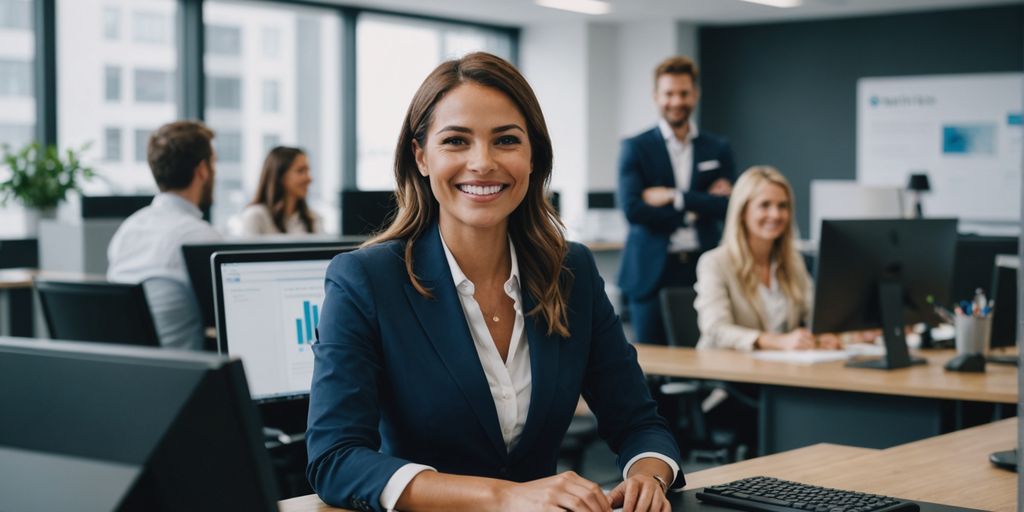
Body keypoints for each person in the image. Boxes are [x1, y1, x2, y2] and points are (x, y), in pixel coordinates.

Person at [306, 52, 682, 512]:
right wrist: (504, 496)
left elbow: (639, 423)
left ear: (532, 157)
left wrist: (647, 474)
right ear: (421, 156)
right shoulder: (365, 280)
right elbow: (336, 459)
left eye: (505, 140)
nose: (482, 163)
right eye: (456, 141)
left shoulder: (572, 273)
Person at [618, 55, 736, 346]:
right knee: (651, 366)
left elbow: (730, 207)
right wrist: (697, 207)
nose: (676, 101)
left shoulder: (718, 148)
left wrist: (675, 197)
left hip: (702, 267)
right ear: (656, 96)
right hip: (650, 272)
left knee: (702, 357)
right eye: (669, 93)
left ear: (694, 94)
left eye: (683, 93)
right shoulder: (636, 147)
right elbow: (633, 209)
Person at [694, 166, 843, 351]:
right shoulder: (715, 262)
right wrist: (774, 341)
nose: (775, 214)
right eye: (765, 205)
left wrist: (823, 336)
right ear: (742, 211)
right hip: (725, 373)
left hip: (779, 371)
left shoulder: (793, 261)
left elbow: (814, 316)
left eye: (782, 206)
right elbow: (715, 329)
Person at [107, 120, 221, 351]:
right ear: (202, 170)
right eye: (213, 165)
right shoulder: (199, 236)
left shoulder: (128, 229)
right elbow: (228, 320)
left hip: (131, 373)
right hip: (187, 379)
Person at [238, 146, 323, 236]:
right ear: (279, 176)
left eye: (308, 171)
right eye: (300, 171)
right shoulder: (255, 216)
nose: (309, 178)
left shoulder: (313, 219)